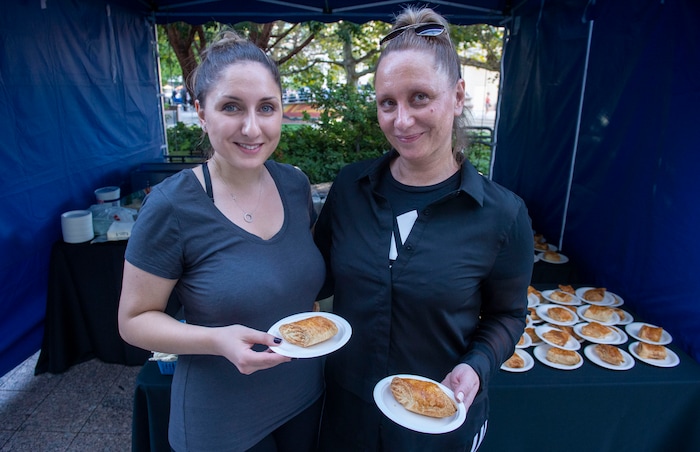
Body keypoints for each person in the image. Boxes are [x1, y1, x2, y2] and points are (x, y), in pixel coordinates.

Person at [313, 6, 533, 451]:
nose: (401, 120)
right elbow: (313, 278)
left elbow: (507, 315)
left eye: (419, 98)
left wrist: (477, 365)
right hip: (348, 414)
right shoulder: (351, 189)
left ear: (456, 96)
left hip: (437, 421)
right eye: (386, 103)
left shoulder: (502, 214)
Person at [118, 30, 326, 452]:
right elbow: (133, 321)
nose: (252, 127)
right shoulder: (172, 206)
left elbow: (291, 279)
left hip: (305, 397)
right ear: (200, 112)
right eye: (231, 107)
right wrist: (216, 339)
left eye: (266, 107)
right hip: (222, 422)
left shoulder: (295, 185)